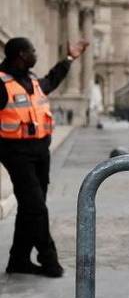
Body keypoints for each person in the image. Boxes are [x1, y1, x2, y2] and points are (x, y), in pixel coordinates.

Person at [1, 37, 88, 278]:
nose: (35, 54)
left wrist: (69, 58)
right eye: (32, 51)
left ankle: (18, 260)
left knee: (29, 207)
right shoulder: (1, 82)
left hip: (40, 153)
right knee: (36, 207)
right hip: (16, 154)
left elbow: (52, 79)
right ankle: (49, 260)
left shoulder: (31, 80)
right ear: (21, 55)